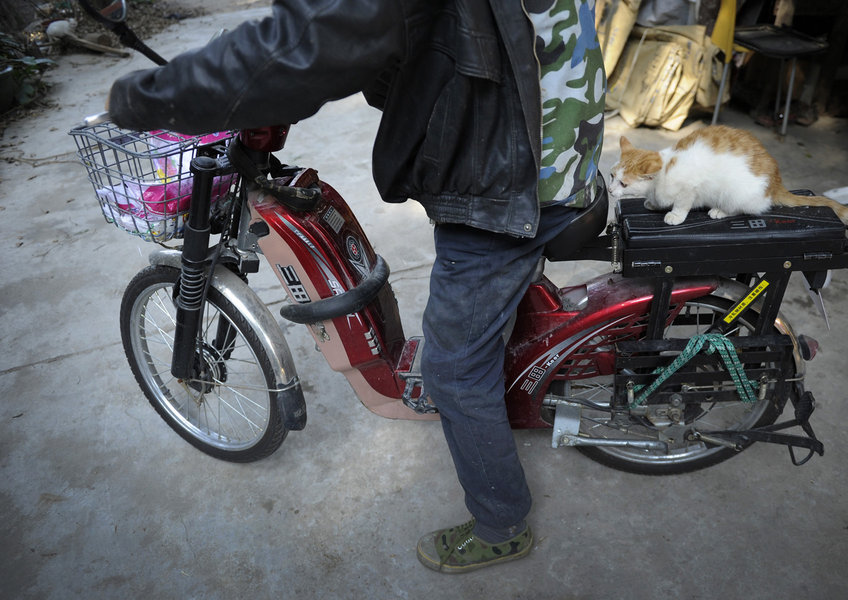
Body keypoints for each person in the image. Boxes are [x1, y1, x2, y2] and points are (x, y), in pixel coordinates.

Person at [108, 0, 605, 573]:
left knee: (453, 370)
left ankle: (501, 524)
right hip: (554, 135)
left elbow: (316, 33)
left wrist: (152, 96)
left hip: (512, 180)